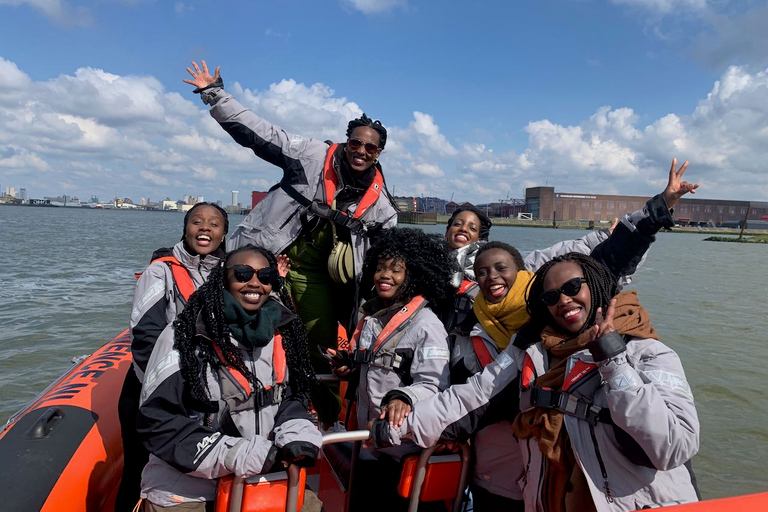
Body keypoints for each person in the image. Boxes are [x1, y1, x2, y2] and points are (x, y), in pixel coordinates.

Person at [184, 60, 399, 428]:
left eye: (371, 148)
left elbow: (393, 251)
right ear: (345, 143)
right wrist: (214, 94)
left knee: (319, 345)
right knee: (236, 327)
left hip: (319, 277)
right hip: (265, 259)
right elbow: (258, 132)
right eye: (355, 143)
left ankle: (322, 415)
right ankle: (225, 405)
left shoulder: (380, 204)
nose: (361, 151)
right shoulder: (311, 155)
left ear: (379, 154)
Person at [136, 245, 320, 510]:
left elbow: (291, 396)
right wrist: (231, 453)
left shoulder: (284, 332)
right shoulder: (185, 337)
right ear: (224, 277)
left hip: (264, 480)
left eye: (265, 276)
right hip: (189, 490)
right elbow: (156, 422)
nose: (255, 283)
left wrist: (295, 426)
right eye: (243, 274)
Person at [326, 227, 456, 511]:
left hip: (406, 448)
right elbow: (375, 368)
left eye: (396, 270)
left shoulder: (427, 325)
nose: (386, 275)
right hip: (371, 441)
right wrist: (350, 369)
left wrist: (403, 397)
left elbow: (434, 384)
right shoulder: (371, 318)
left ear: (415, 276)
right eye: (381, 268)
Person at [116, 202, 229, 511]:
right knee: (137, 470)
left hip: (207, 396)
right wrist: (174, 393)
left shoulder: (230, 275)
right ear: (186, 228)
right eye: (197, 221)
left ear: (224, 234)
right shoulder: (159, 271)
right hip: (155, 393)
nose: (205, 227)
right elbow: (145, 338)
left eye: (214, 223)